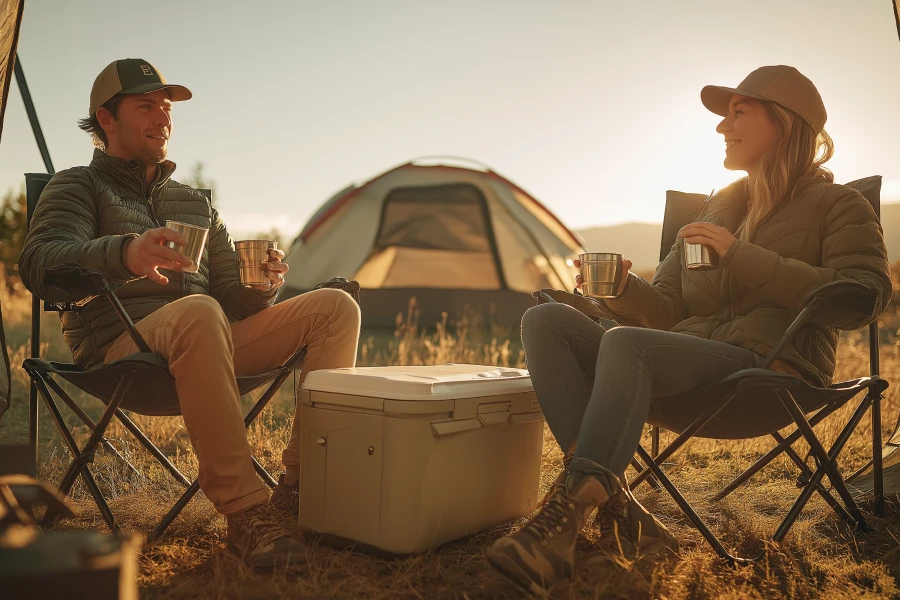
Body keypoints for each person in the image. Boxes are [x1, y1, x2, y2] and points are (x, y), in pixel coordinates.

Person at [485, 65, 892, 593]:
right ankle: (618, 513)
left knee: (623, 343)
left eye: (738, 112)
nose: (723, 127)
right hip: (686, 364)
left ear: (785, 124)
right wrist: (623, 291)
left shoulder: (838, 206)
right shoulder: (714, 210)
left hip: (772, 374)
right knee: (546, 321)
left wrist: (740, 255)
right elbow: (670, 311)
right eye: (724, 116)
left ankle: (563, 522)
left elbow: (863, 297)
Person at [19, 59, 361, 569]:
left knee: (336, 307)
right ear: (105, 120)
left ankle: (301, 490)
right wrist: (124, 253)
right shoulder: (76, 187)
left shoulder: (194, 203)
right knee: (197, 311)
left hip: (204, 336)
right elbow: (39, 263)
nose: (162, 116)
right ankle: (246, 514)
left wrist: (261, 286)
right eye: (145, 105)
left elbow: (229, 297)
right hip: (121, 346)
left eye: (166, 106)